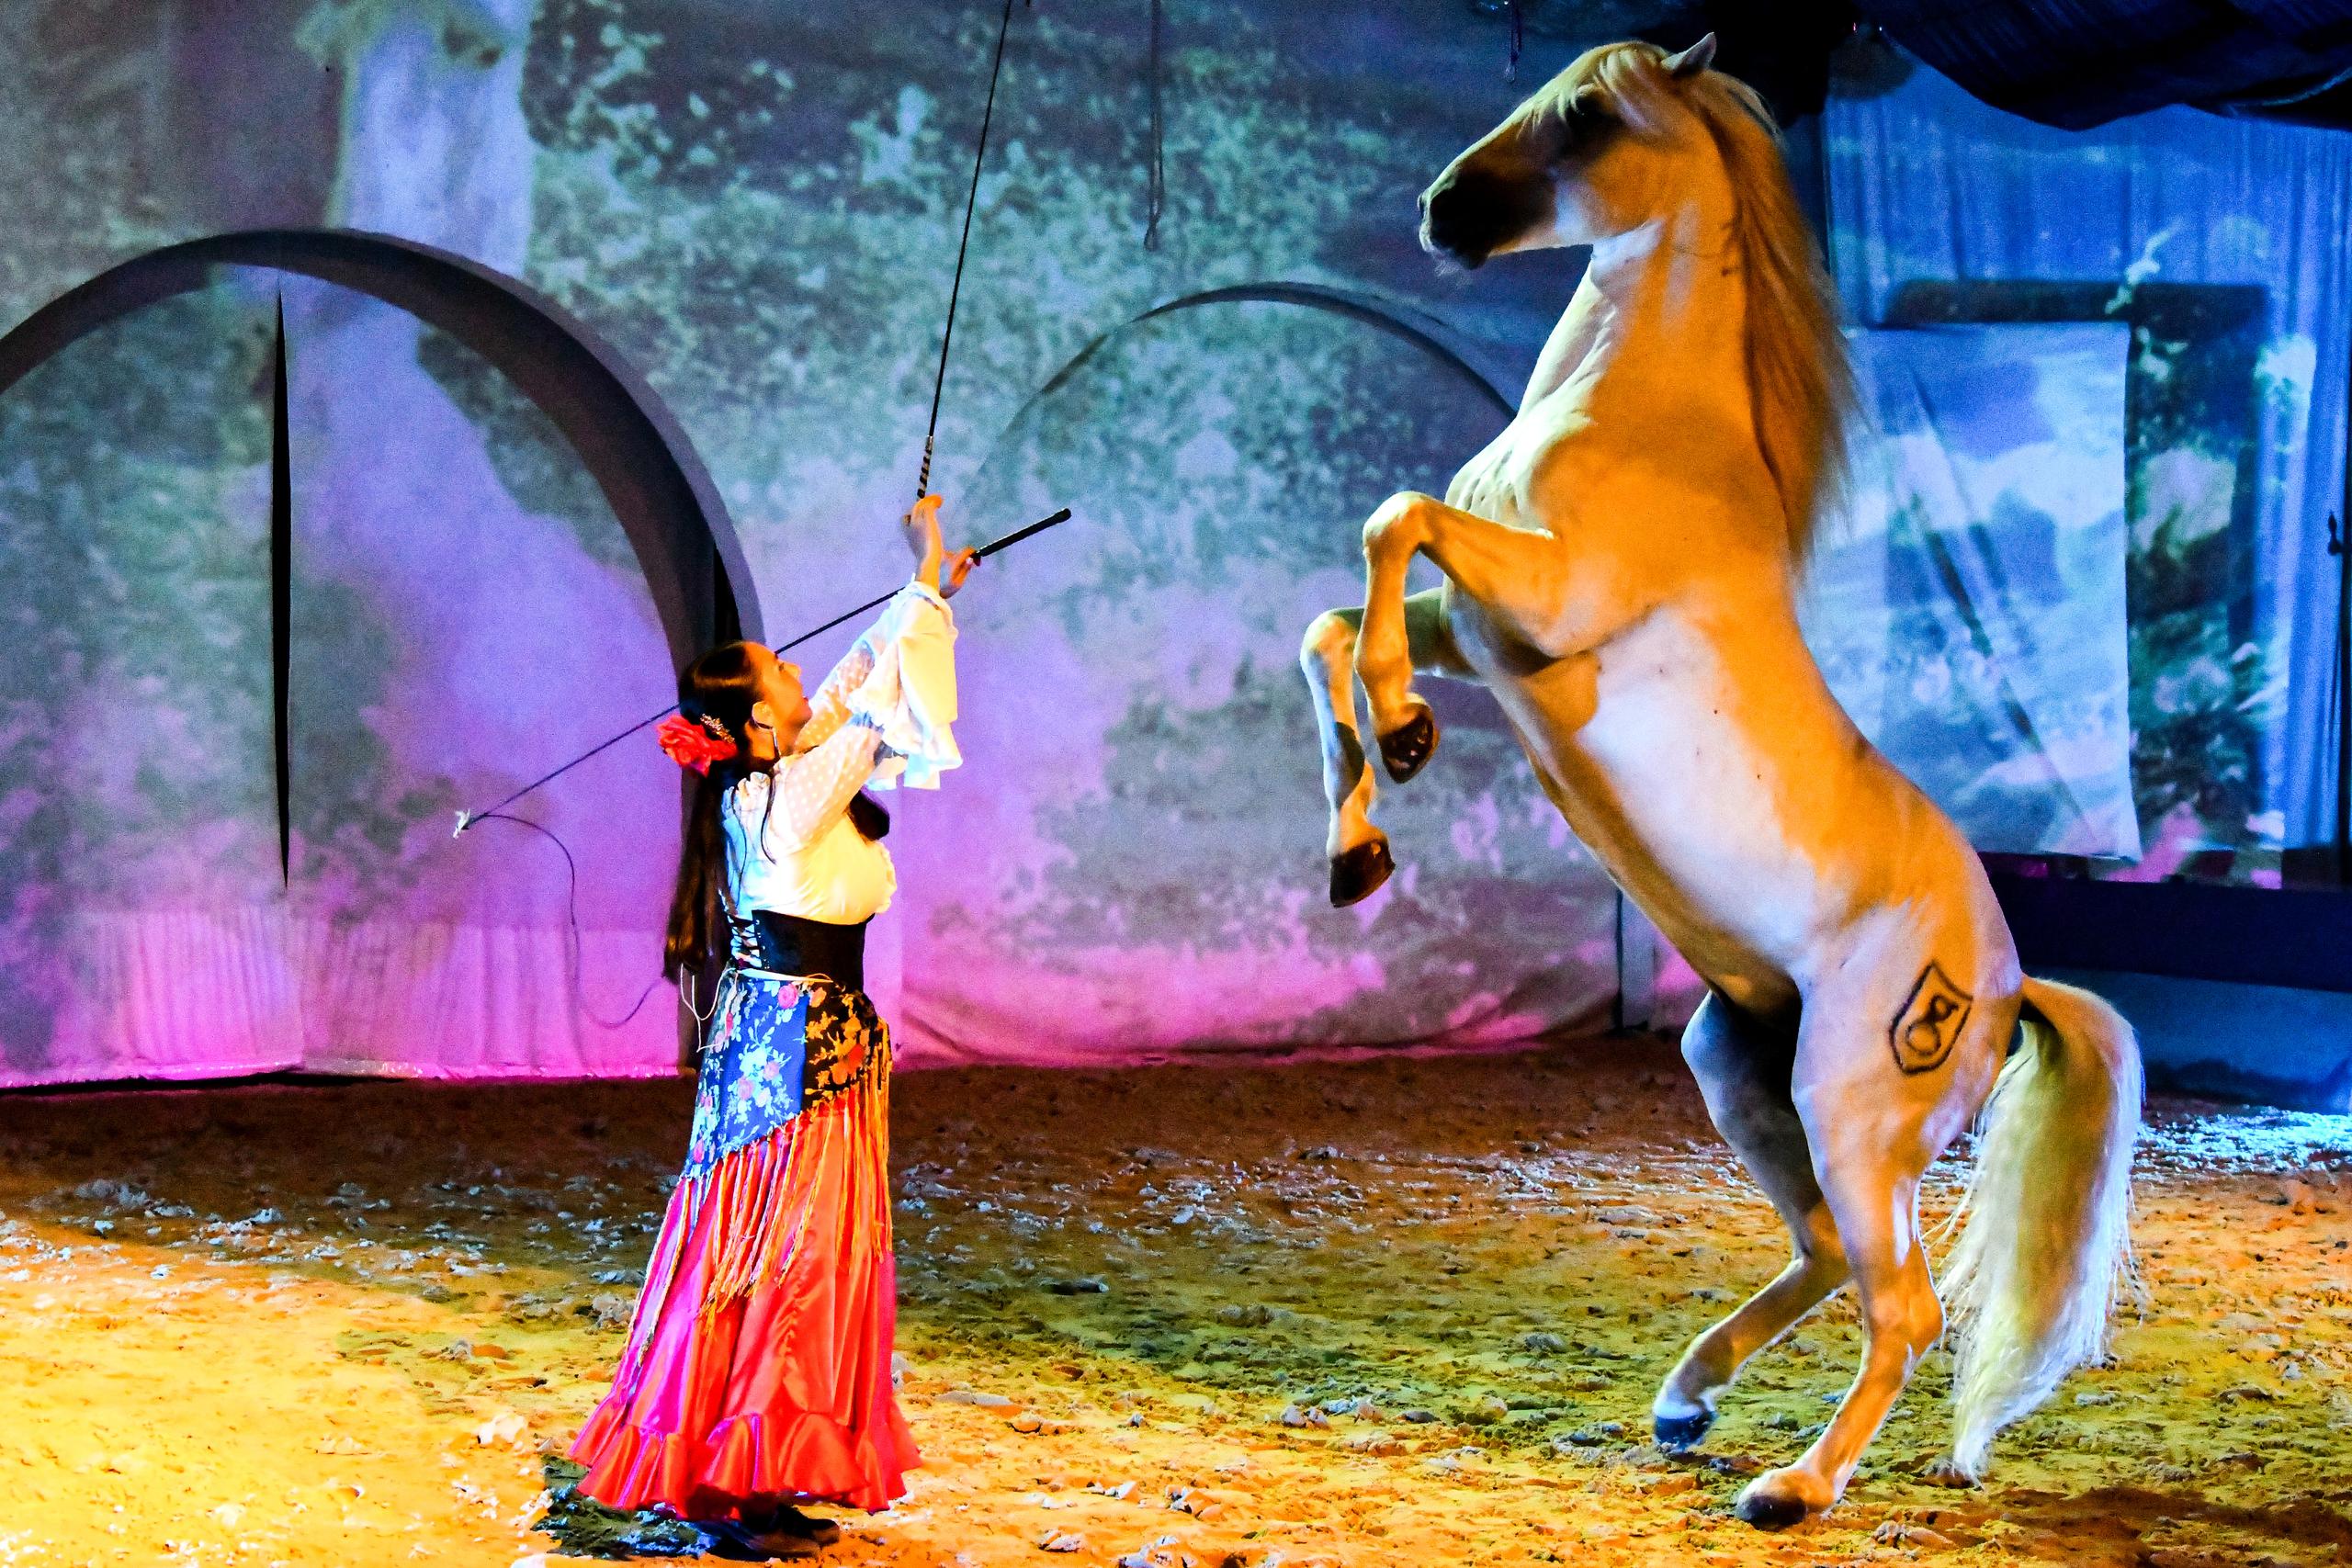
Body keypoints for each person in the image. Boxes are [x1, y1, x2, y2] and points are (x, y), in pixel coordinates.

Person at [569, 495, 978, 1560]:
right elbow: (871, 713)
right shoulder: (783, 802)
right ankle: (735, 1476)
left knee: (792, 1251)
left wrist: (924, 591)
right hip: (798, 1056)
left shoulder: (775, 787)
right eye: (778, 675)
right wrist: (922, 577)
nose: (798, 675)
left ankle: (755, 1468)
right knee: (783, 1252)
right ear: (753, 722)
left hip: (800, 1044)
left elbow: (850, 687)